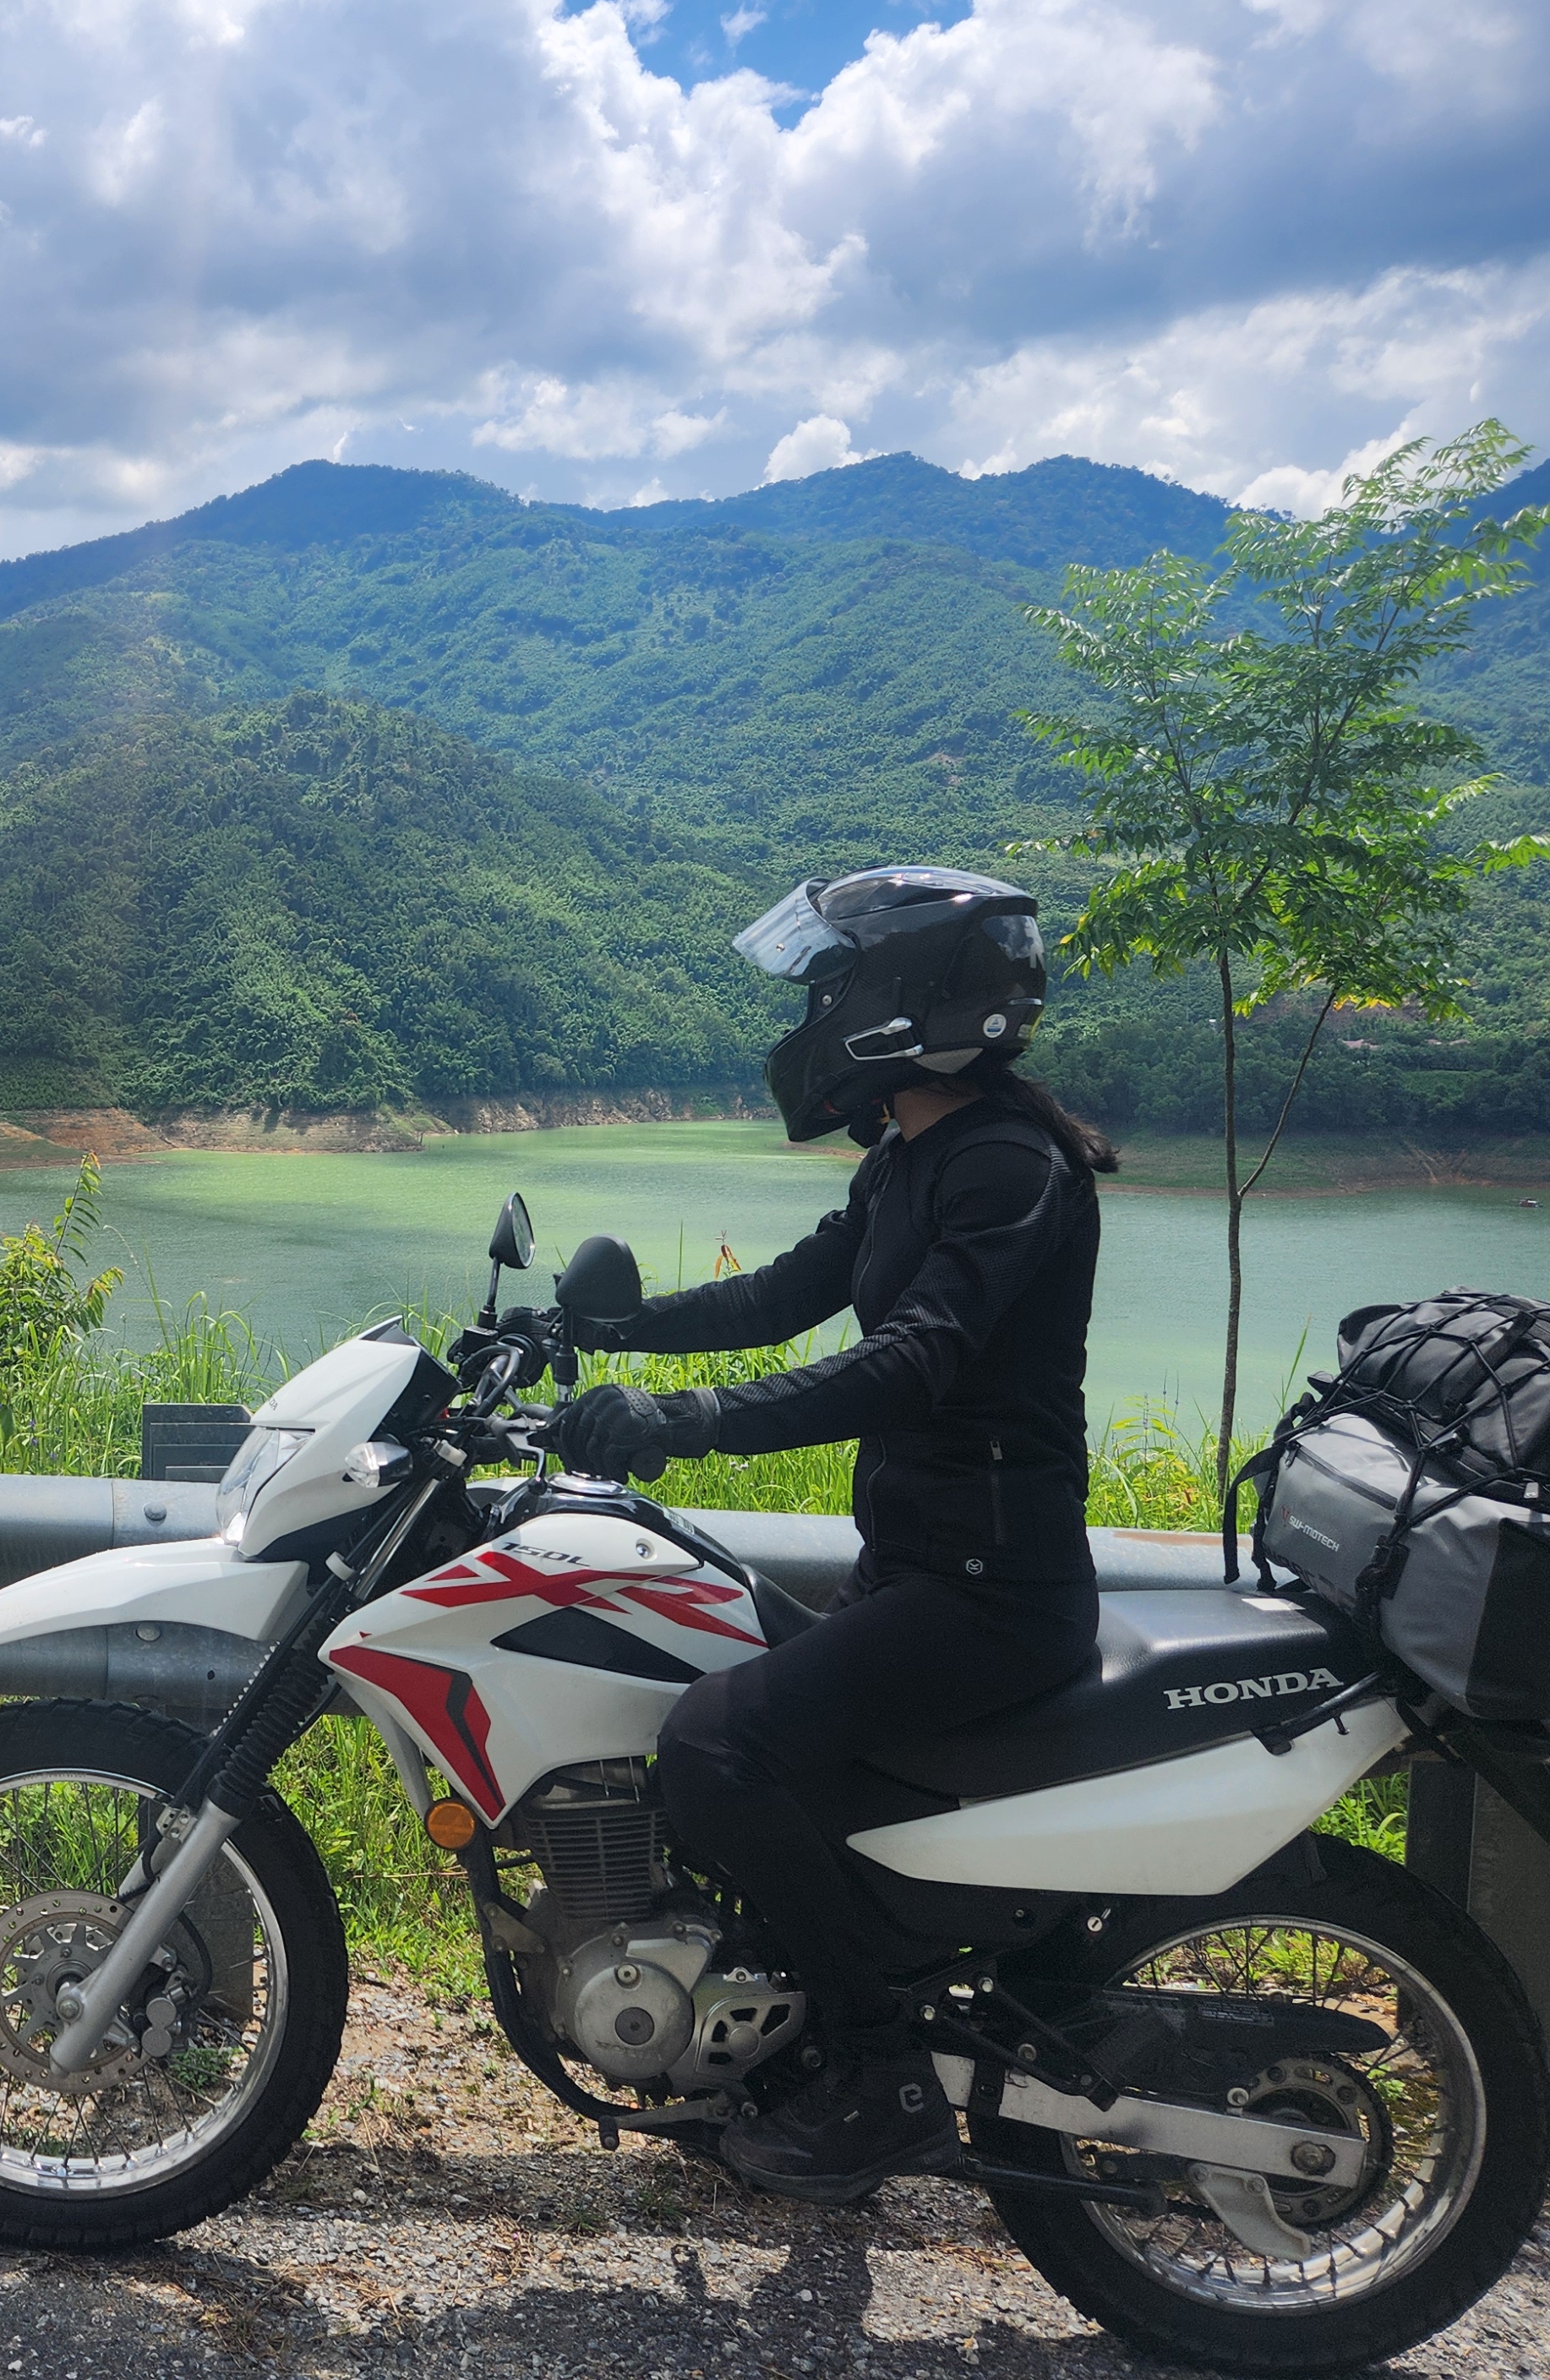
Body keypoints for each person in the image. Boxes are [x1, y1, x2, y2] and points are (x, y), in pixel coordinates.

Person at [552, 864, 1118, 2204]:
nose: (812, 1014)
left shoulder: (1007, 1164)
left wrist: (684, 1422)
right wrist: (608, 1330)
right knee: (734, 1701)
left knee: (713, 1747)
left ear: (899, 1000)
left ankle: (880, 2077)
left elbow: (912, 1360)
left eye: (829, 986)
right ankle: (808, 2036)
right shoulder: (912, 1155)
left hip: (992, 1595)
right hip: (918, 1571)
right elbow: (781, 1297)